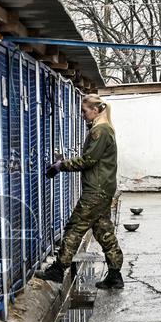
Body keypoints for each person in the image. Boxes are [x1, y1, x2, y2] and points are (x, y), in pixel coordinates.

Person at [37, 94, 124, 289]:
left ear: (96, 110)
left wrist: (61, 165)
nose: (83, 115)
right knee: (103, 231)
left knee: (74, 228)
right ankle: (115, 274)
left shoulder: (100, 131)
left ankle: (58, 270)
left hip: (96, 190)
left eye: (85, 112)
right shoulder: (104, 128)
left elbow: (88, 160)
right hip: (103, 188)